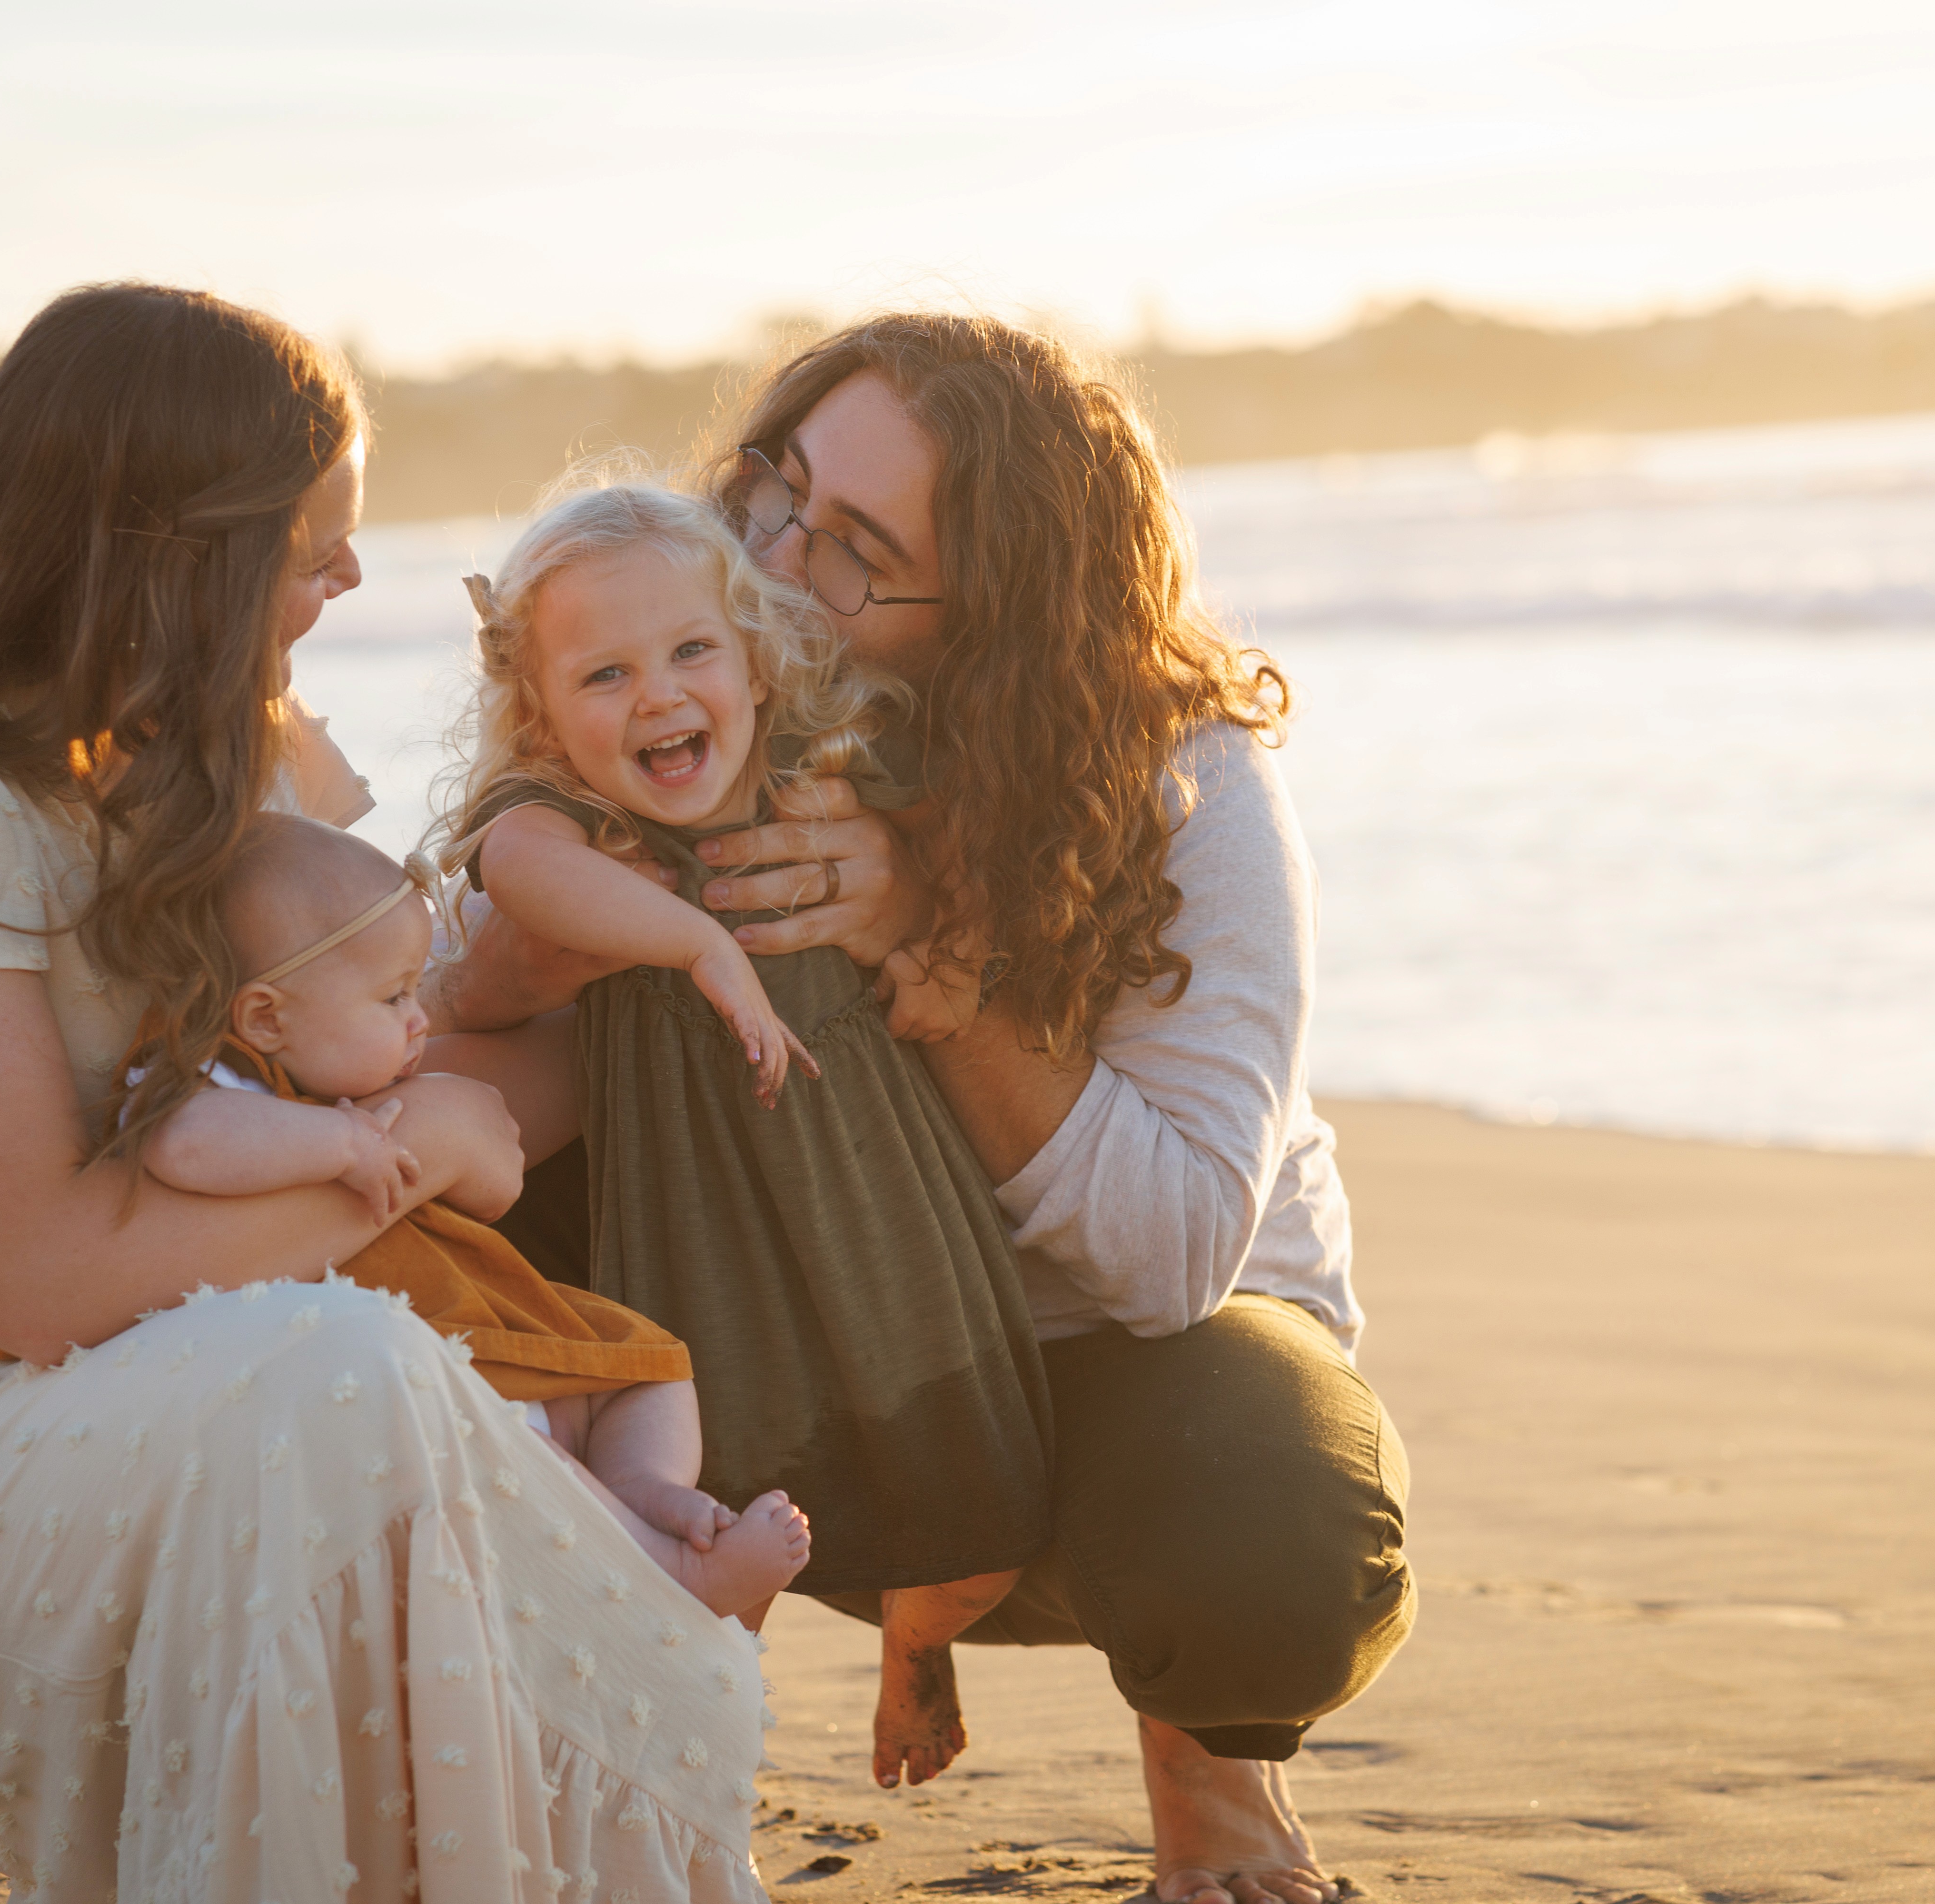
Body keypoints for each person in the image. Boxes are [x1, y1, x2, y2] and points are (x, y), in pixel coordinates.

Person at [0, 282, 769, 1903]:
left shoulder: (240, 764)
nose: (348, 576)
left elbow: (432, 1069)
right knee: (341, 1369)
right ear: (175, 539)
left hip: (208, 1390)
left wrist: (676, 937)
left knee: (380, 1382)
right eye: (315, 539)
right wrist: (386, 1161)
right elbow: (29, 1276)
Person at [431, 313, 1415, 1904]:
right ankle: (587, 1790)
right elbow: (422, 1027)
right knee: (424, 1242)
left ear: (1000, 615)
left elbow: (1170, 1261)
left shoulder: (1184, 785)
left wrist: (931, 947)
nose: (770, 559)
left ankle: (1213, 1781)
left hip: (1116, 1389)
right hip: (772, 1347)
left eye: (858, 551)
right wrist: (516, 964)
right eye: (777, 493)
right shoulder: (672, 681)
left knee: (1263, 1536)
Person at [433, 481, 1054, 1790]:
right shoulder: (581, 829)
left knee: (981, 1514)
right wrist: (697, 939)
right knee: (708, 1515)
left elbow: (985, 829)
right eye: (604, 674)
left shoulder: (817, 776)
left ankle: (916, 1637)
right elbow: (512, 868)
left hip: (879, 1199)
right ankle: (695, 1743)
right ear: (542, 717)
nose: (658, 697)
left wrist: (932, 893)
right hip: (692, 1213)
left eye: (691, 653)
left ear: (759, 668)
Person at [133, 810, 813, 1616]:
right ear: (265, 1019)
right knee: (503, 1441)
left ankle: (645, 1487)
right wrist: (337, 1144)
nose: (421, 1015)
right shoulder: (212, 1080)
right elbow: (181, 1146)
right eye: (391, 998)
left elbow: (492, 1185)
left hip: (464, 1309)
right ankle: (668, 1570)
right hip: (401, 1350)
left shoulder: (335, 1075)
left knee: (646, 1366)